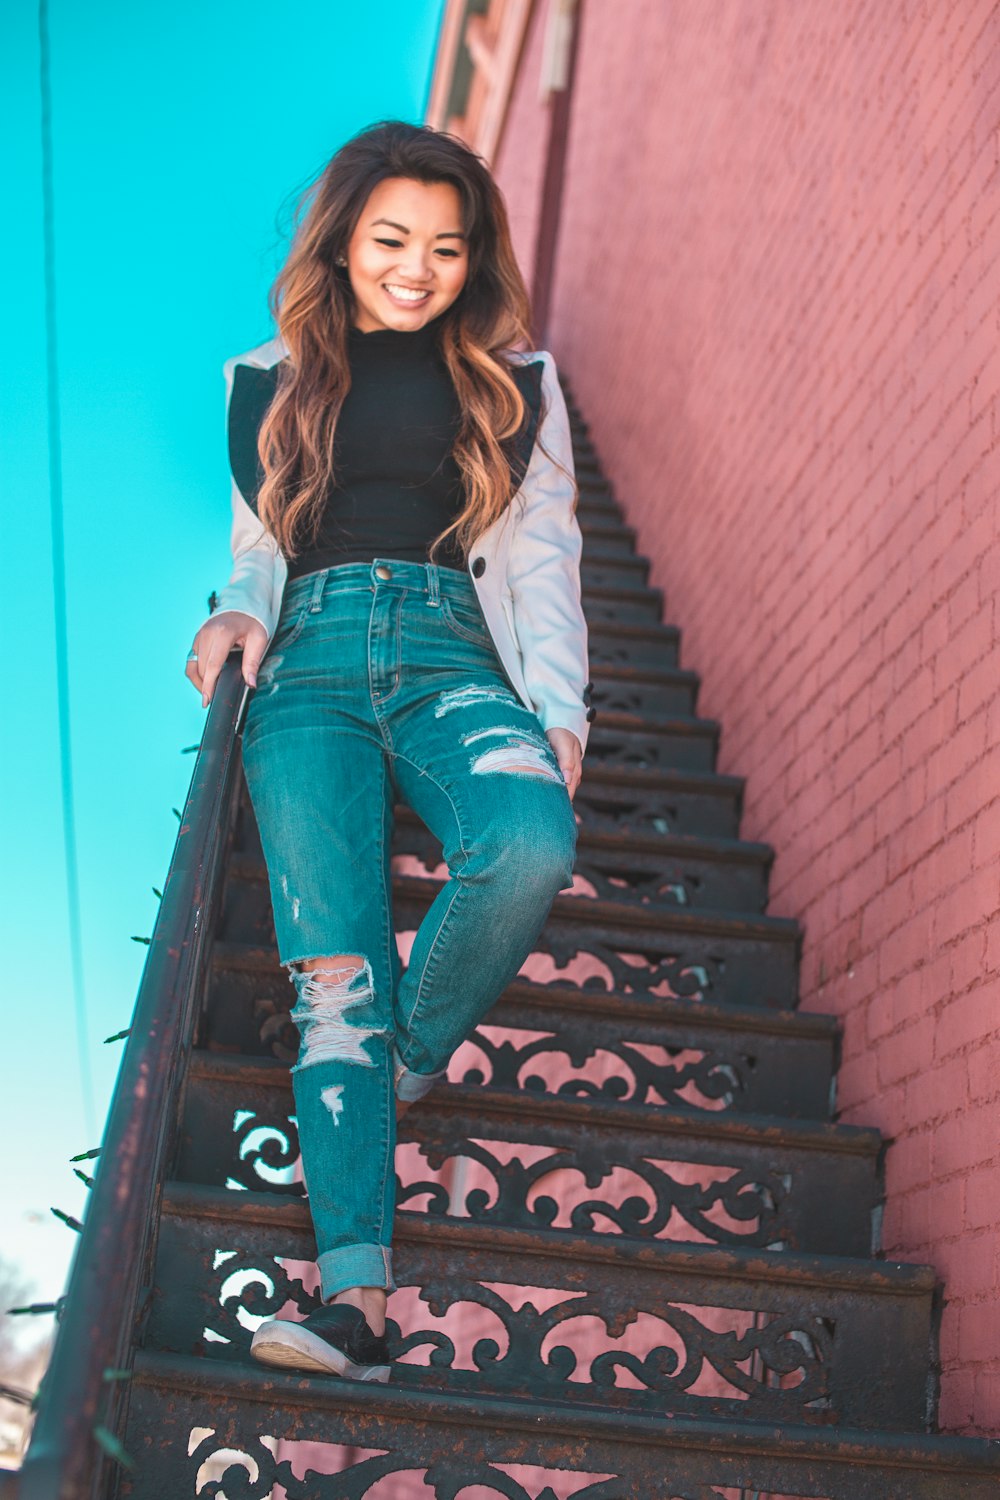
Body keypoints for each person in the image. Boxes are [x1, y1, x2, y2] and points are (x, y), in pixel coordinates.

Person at [184, 119, 592, 1385]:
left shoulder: (516, 381)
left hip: (449, 646)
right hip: (303, 658)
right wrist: (231, 610)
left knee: (526, 842)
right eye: (391, 240)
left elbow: (542, 558)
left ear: (475, 261)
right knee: (335, 984)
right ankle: (353, 1300)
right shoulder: (264, 377)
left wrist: (561, 711)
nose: (417, 267)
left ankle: (411, 1060)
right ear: (346, 243)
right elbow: (259, 541)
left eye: (446, 247)